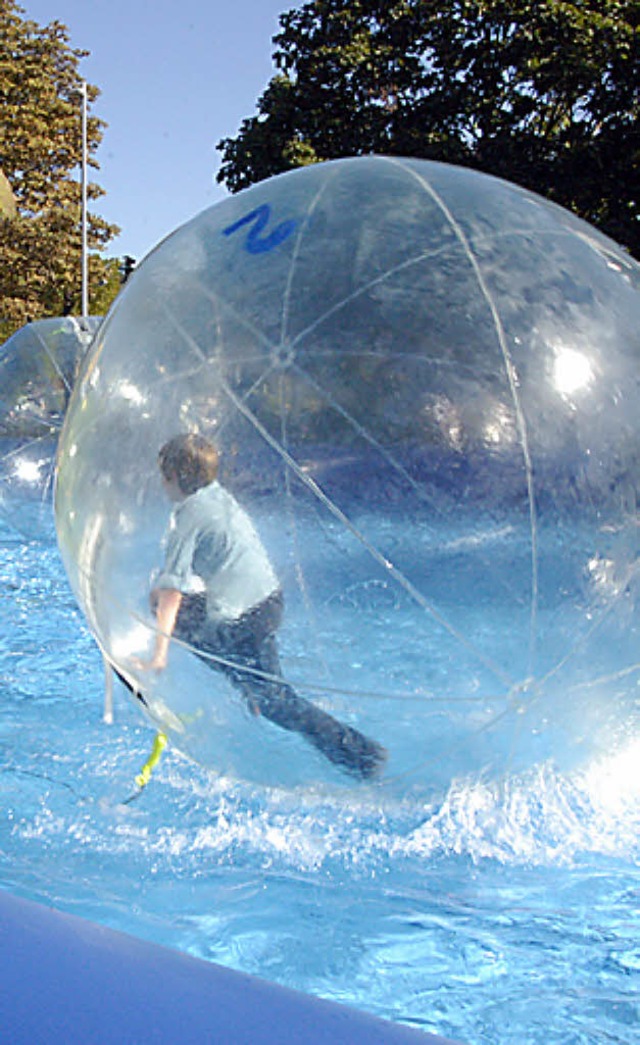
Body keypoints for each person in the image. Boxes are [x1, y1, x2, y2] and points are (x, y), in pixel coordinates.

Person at [134, 433, 387, 781]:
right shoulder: (217, 497)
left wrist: (157, 656)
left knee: (278, 704)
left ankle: (362, 756)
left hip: (242, 618)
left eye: (164, 474)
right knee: (267, 690)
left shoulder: (187, 517)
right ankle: (249, 685)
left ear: (176, 476)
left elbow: (172, 591)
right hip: (267, 602)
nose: (161, 483)